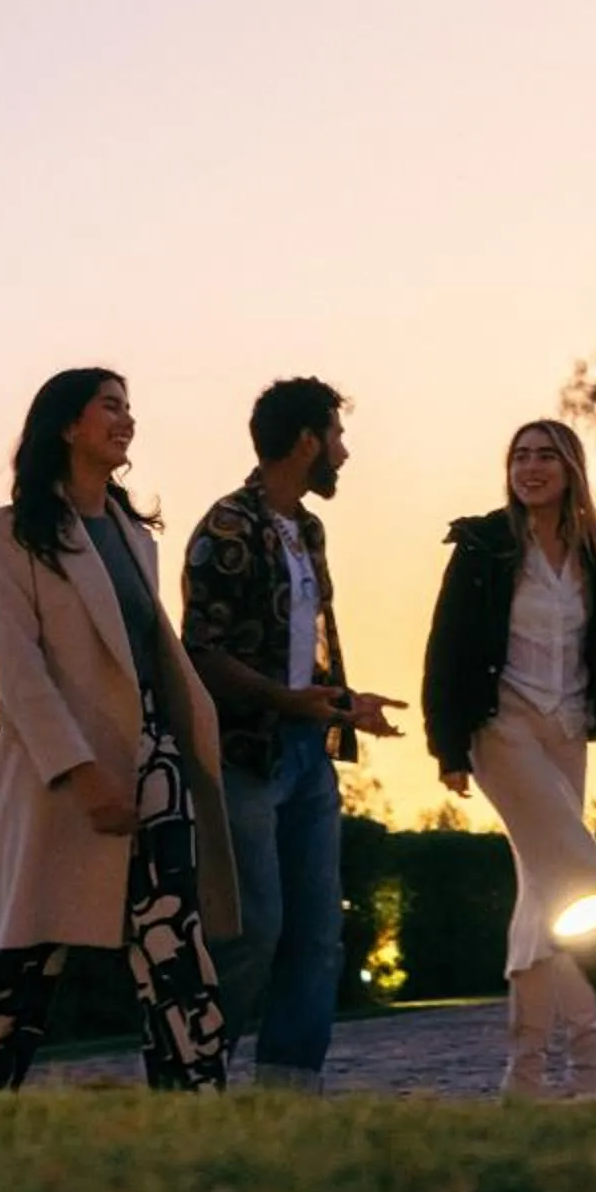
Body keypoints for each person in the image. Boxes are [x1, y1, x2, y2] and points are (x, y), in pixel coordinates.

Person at [0, 367, 239, 1092]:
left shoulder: (135, 536)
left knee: (172, 940)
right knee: (26, 953)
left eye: (130, 407)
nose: (126, 419)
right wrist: (81, 770)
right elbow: (19, 665)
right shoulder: (8, 534)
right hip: (57, 773)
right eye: (110, 406)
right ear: (67, 425)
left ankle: (196, 1100)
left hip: (153, 760)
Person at [422, 417, 596, 1098]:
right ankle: (594, 1057)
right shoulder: (485, 547)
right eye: (519, 456)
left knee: (544, 898)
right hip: (502, 731)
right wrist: (448, 743)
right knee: (586, 877)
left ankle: (528, 1074)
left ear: (570, 468)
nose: (531, 467)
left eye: (546, 455)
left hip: (567, 730)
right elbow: (448, 645)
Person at [181, 377, 405, 1092]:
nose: (344, 451)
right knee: (253, 931)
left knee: (317, 935)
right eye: (336, 436)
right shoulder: (225, 529)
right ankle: (194, 1074)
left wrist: (342, 703)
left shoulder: (308, 529)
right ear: (307, 441)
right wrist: (287, 701)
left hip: (310, 755)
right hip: (246, 756)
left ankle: (287, 1094)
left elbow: (303, 643)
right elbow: (201, 654)